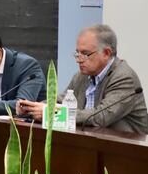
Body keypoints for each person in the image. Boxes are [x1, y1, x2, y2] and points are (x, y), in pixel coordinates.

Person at [17, 25, 148, 132]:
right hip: (91, 141)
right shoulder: (82, 75)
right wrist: (33, 107)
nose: (79, 60)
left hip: (128, 149)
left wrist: (50, 113)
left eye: (85, 54)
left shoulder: (124, 77)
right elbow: (62, 100)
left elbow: (99, 117)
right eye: (77, 53)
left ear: (106, 53)